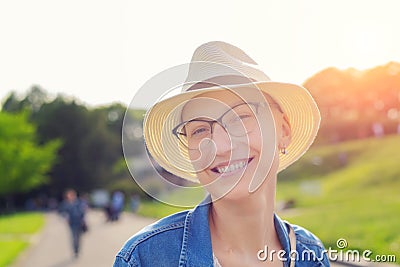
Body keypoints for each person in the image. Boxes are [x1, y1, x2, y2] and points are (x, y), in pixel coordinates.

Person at [114, 41, 330, 266]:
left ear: (283, 131)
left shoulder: (311, 256)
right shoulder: (144, 259)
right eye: (199, 130)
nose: (221, 145)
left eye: (241, 117)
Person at [59, 189, 87, 258]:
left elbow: (83, 211)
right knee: (74, 237)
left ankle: (77, 249)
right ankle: (75, 251)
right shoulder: (65, 204)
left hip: (79, 222)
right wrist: (65, 216)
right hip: (72, 223)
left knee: (78, 237)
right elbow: (61, 212)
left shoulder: (79, 203)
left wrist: (83, 219)